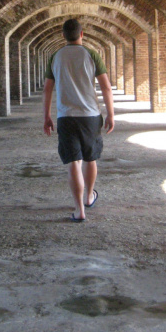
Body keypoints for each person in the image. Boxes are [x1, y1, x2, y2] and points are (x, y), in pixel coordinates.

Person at [43, 18, 114, 222]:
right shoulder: (91, 54)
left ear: (63, 35)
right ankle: (89, 197)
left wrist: (47, 116)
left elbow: (48, 88)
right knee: (90, 159)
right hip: (90, 116)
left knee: (73, 162)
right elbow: (106, 87)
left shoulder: (56, 56)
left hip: (66, 116)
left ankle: (78, 210)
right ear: (82, 34)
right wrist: (110, 113)